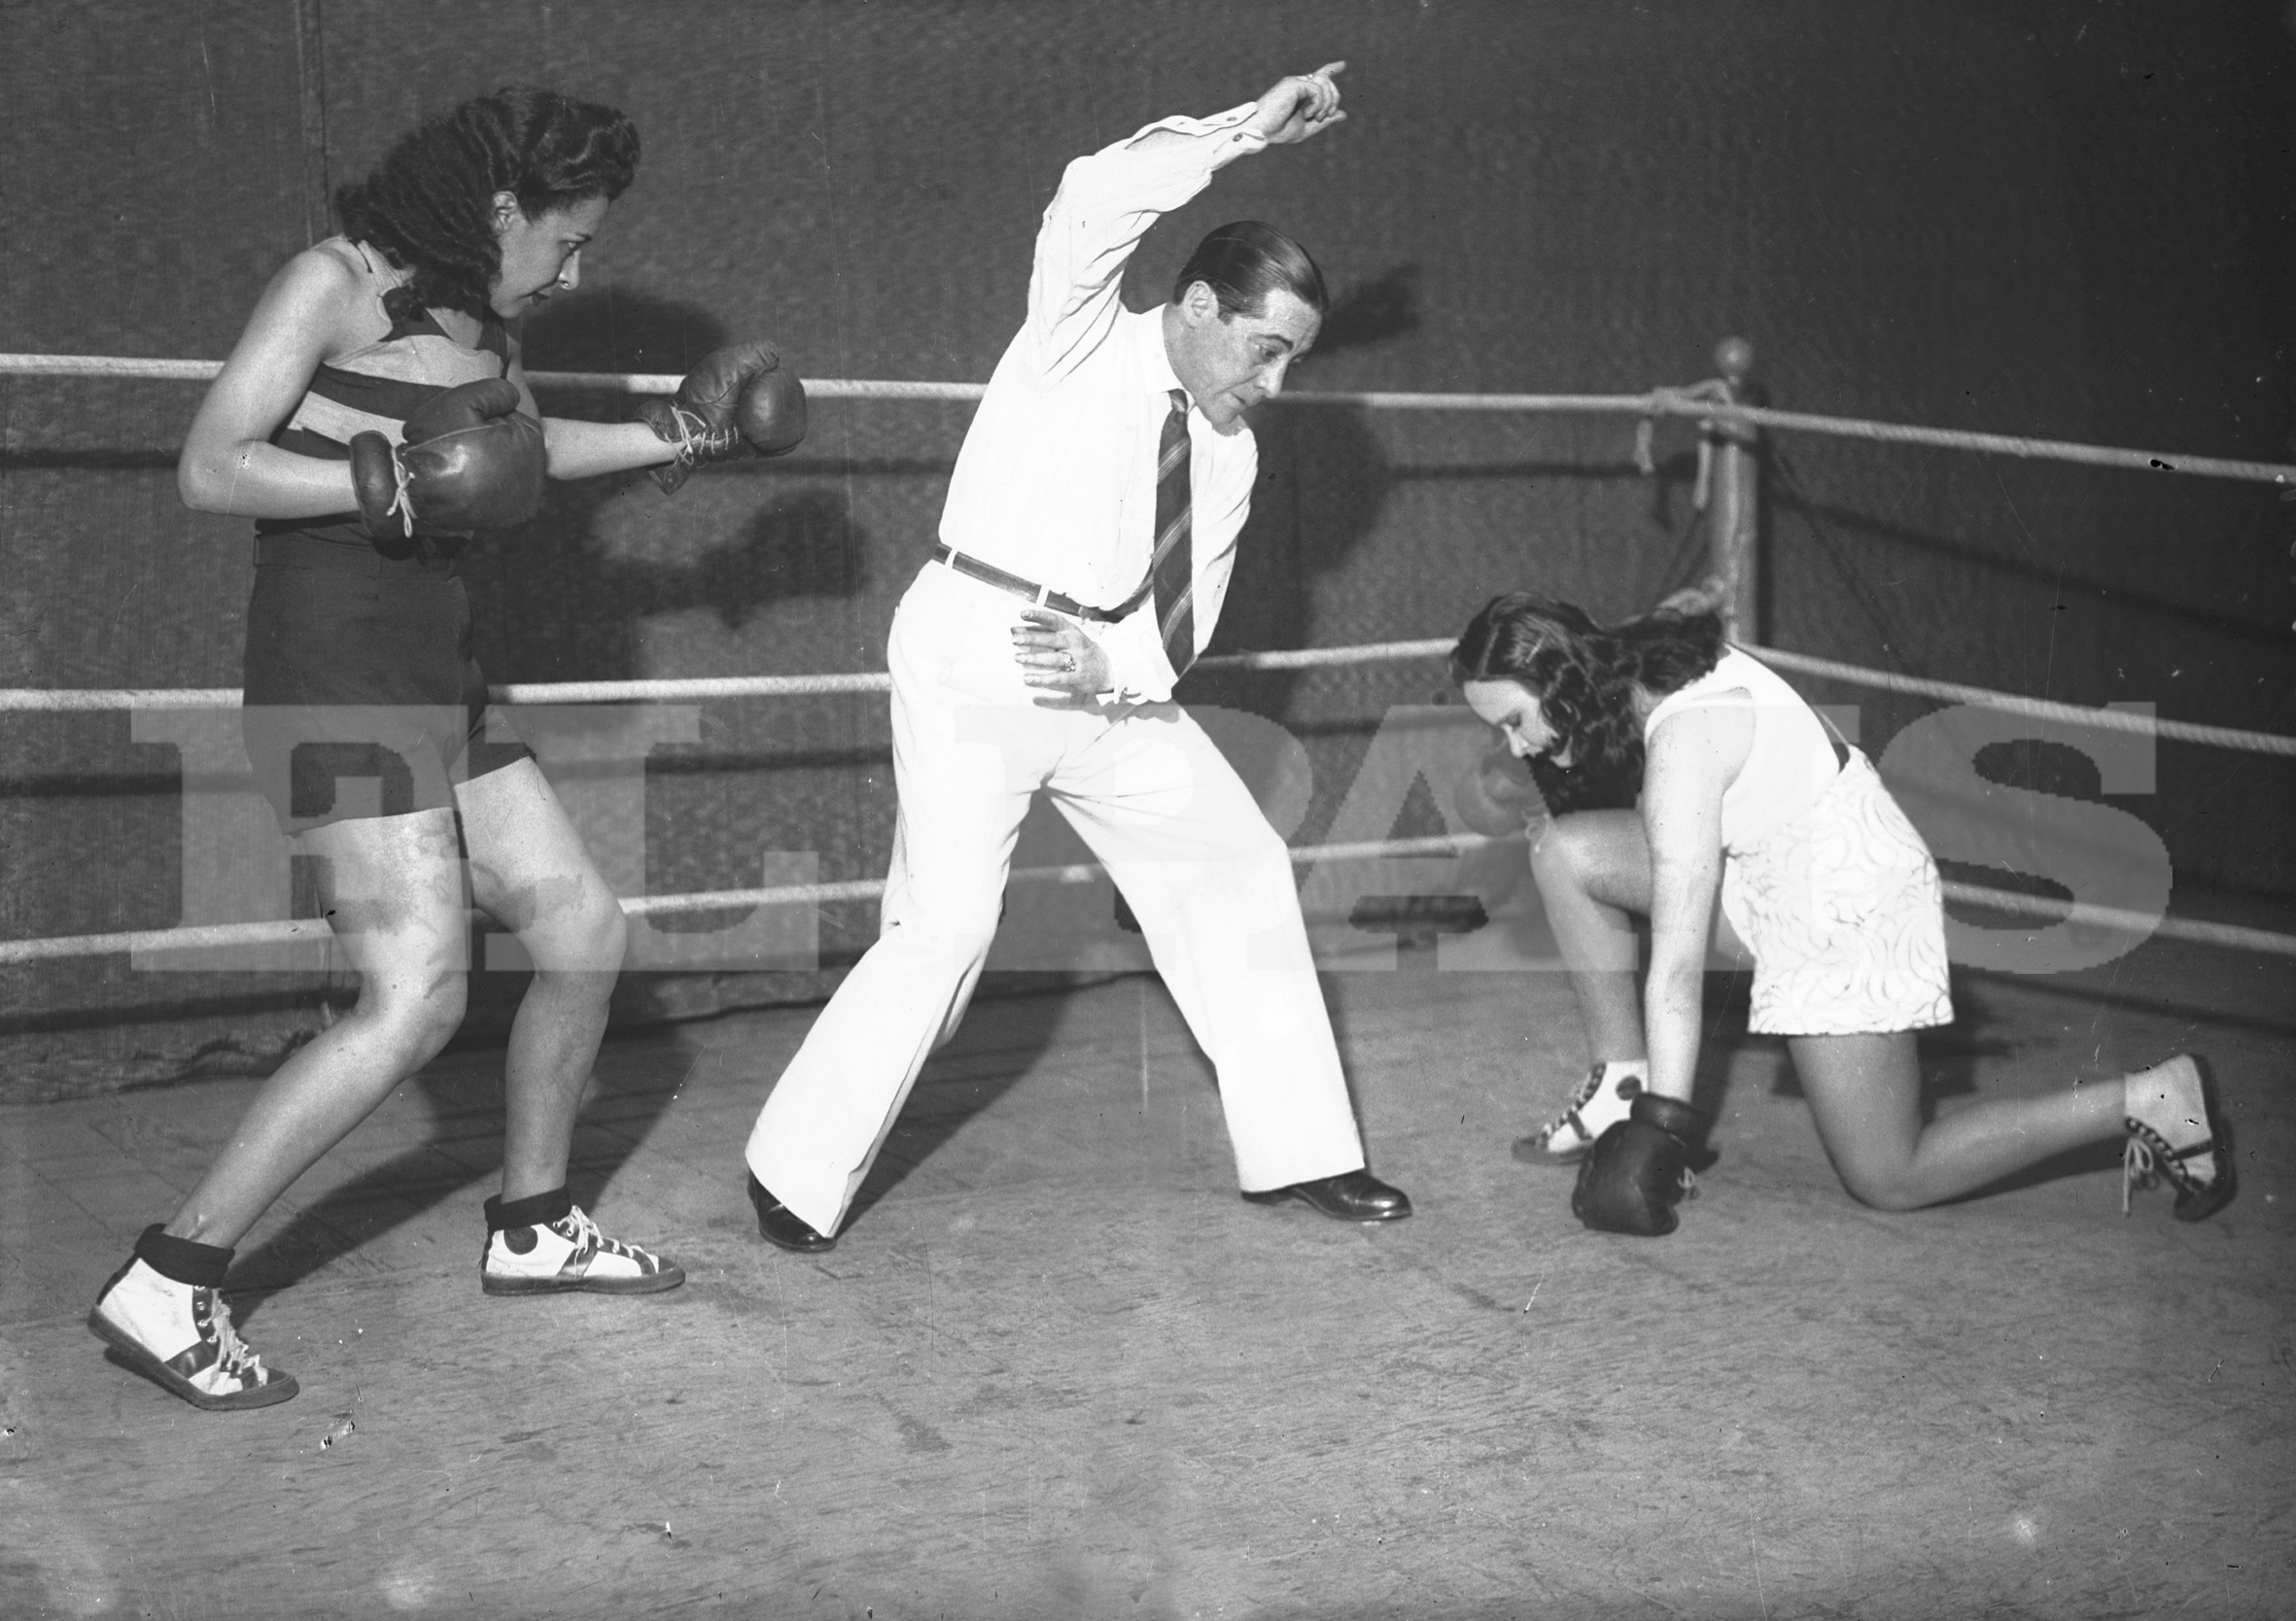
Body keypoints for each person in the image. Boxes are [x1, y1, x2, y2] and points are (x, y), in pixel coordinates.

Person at [88, 86, 807, 1411]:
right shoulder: (331, 284)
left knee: (581, 930)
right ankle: (169, 1277)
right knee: (415, 994)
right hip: (333, 669)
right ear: (501, 208)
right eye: (566, 241)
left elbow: (521, 450)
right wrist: (392, 483)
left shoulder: (480, 321)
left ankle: (532, 1225)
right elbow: (213, 466)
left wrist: (680, 435)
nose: (573, 270)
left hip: (439, 670)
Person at [740, 63, 1411, 1251]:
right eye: (1264, 349)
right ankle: (792, 1174)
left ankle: (1305, 1154)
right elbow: (1094, 194)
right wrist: (1247, 131)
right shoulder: (1077, 335)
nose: (1273, 383)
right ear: (1196, 305)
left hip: (1102, 679)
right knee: (946, 929)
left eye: (1292, 361)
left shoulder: (1230, 446)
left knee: (1237, 859)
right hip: (974, 652)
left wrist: (1114, 675)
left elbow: (1190, 614)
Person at [1449, 586, 2236, 1235]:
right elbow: (1679, 612)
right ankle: (1620, 1079)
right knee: (1569, 853)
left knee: (1891, 1176)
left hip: (1846, 900)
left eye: (1515, 722)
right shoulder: (1625, 657)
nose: (1515, 747)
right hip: (1768, 866)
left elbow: (1677, 972)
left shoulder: (1683, 754)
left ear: (1560, 683)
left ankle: (2151, 1099)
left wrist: (1662, 1126)